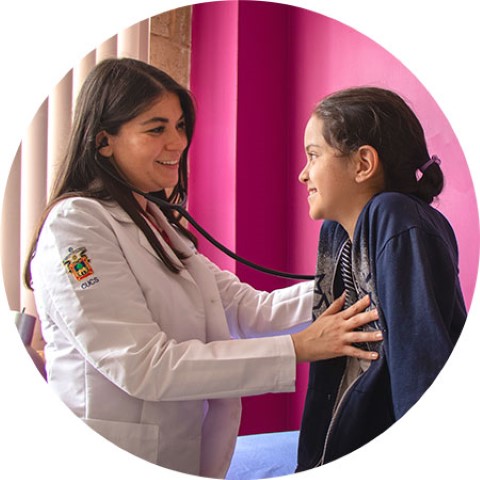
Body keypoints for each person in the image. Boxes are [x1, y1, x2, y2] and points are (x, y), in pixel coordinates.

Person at [23, 58, 382, 478]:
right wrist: (299, 348)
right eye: (156, 129)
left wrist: (355, 275)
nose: (177, 142)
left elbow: (253, 309)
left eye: (179, 126)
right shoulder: (75, 229)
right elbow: (142, 366)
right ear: (104, 141)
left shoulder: (158, 224)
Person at [295, 86, 467, 471]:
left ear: (363, 164)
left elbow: (419, 374)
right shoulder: (337, 234)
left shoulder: (397, 218)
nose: (303, 173)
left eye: (313, 154)